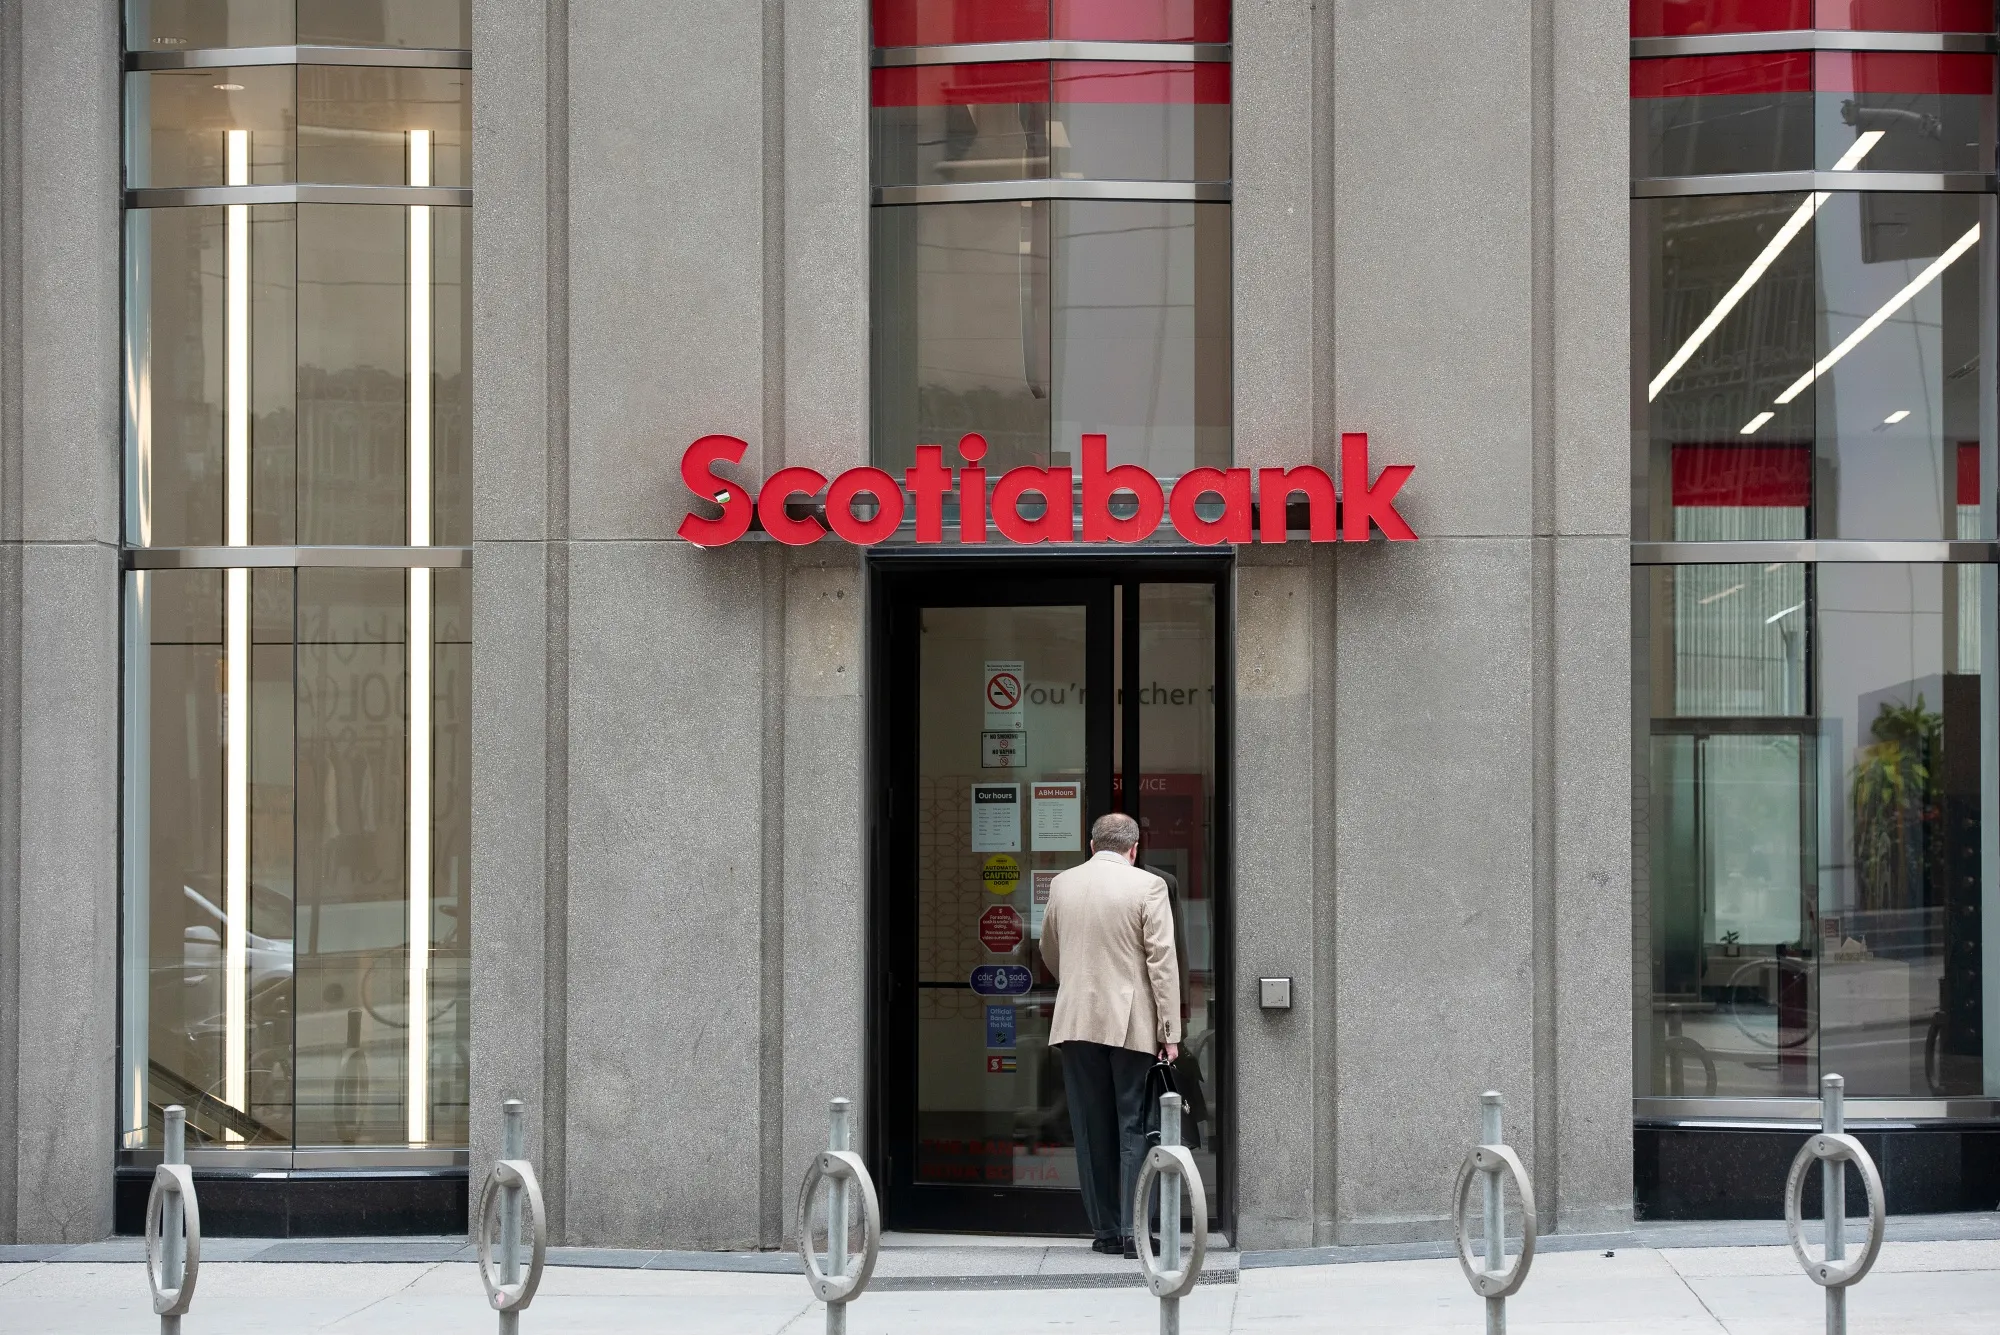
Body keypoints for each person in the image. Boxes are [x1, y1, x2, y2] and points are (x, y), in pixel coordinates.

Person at [1040, 811, 1180, 1258]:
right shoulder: (1148, 886)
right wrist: (1169, 1031)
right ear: (1134, 849)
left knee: (1090, 1125)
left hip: (1076, 1020)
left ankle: (1104, 1230)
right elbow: (1162, 962)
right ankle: (1134, 1232)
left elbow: (1049, 949)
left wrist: (1077, 984)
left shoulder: (1062, 884)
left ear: (1092, 845)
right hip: (1131, 1022)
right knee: (1135, 1125)